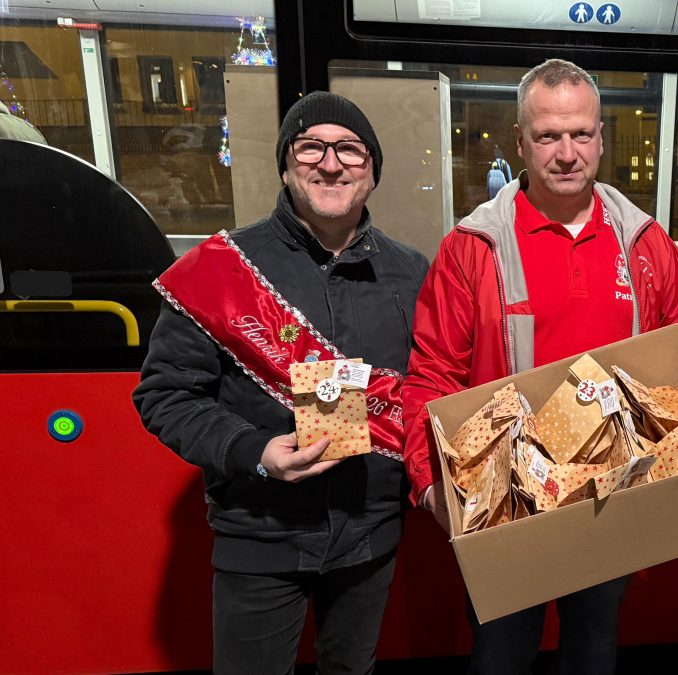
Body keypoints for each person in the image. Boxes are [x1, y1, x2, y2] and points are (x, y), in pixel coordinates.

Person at [400, 59, 678, 674]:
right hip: (507, 506)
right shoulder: (472, 249)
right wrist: (429, 482)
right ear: (521, 141)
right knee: (500, 658)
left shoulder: (645, 244)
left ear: (601, 137)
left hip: (612, 499)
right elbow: (432, 376)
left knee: (594, 652)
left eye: (580, 134)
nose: (566, 152)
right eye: (547, 136)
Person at [133, 91, 428, 674]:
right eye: (311, 147)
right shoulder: (223, 268)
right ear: (287, 164)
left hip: (370, 532)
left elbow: (429, 388)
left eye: (349, 149)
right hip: (261, 530)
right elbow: (164, 394)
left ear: (372, 169)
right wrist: (253, 452)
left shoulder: (413, 272)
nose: (331, 162)